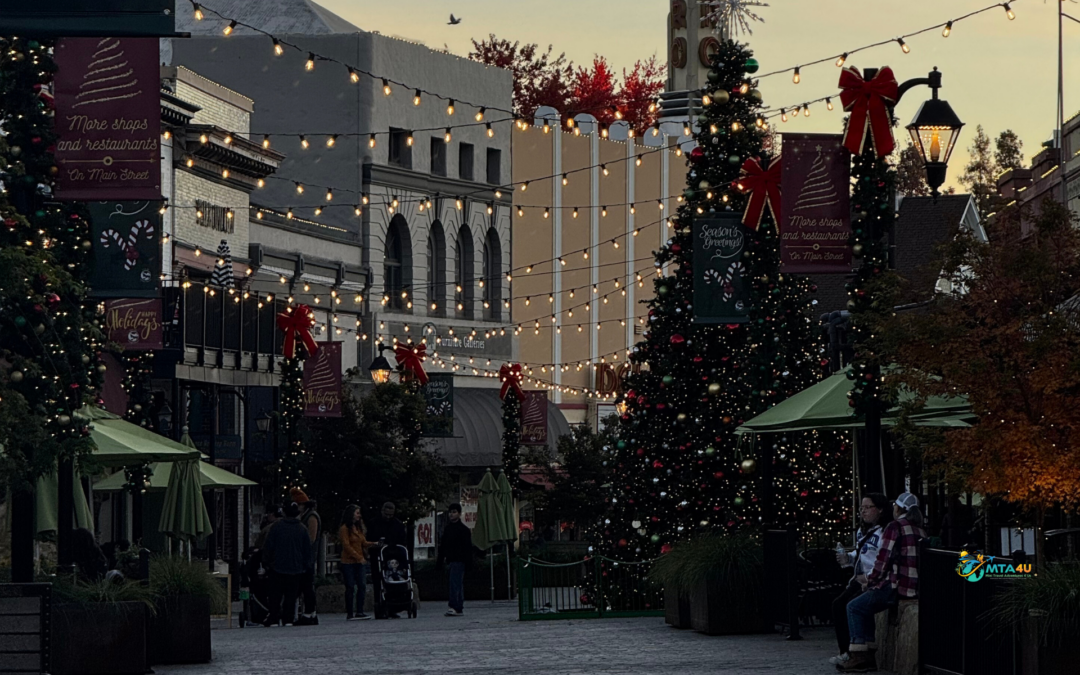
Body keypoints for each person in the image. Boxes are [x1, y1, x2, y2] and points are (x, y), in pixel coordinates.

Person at [838, 492, 927, 673]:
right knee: (865, 606)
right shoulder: (920, 529)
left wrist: (869, 581)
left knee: (854, 607)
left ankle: (860, 655)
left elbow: (883, 560)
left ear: (898, 508)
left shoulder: (895, 526)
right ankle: (868, 653)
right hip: (914, 587)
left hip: (895, 587)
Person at [829, 493, 893, 667]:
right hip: (860, 577)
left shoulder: (885, 531)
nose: (863, 512)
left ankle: (856, 651)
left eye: (867, 507)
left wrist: (869, 578)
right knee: (839, 604)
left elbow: (883, 559)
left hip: (874, 578)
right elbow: (861, 553)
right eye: (861, 508)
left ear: (880, 509)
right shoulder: (864, 531)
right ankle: (848, 651)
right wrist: (848, 558)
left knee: (850, 605)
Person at [261, 502, 313, 627]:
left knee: (275, 595)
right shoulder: (302, 529)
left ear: (284, 512)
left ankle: (274, 618)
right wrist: (305, 566)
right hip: (295, 568)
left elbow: (268, 547)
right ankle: (288, 619)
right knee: (291, 596)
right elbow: (307, 551)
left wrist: (266, 563)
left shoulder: (276, 527)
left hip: (277, 567)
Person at [367, 501, 407, 618]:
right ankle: (380, 606)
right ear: (382, 511)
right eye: (386, 514)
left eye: (391, 515)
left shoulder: (398, 525)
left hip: (393, 557)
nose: (388, 517)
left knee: (393, 580)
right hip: (378, 556)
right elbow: (369, 539)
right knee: (378, 582)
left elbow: (402, 541)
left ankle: (393, 607)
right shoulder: (374, 523)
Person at [290, 488, 321, 626]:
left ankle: (309, 612)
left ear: (303, 505)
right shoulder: (305, 516)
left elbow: (311, 538)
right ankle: (310, 612)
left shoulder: (311, 517)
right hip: (305, 556)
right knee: (305, 585)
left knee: (306, 585)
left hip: (307, 557)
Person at [339, 504, 375, 621]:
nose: (359, 515)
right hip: (348, 562)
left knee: (362, 585)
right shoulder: (345, 528)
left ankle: (360, 611)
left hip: (359, 562)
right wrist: (358, 557)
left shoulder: (358, 528)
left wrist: (374, 543)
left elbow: (363, 542)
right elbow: (346, 546)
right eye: (357, 513)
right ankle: (350, 612)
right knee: (350, 586)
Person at [436, 503, 472, 617]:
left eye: (454, 512)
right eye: (450, 512)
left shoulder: (462, 530)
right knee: (456, 584)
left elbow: (467, 548)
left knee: (454, 584)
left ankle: (454, 606)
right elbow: (443, 547)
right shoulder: (449, 529)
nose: (451, 514)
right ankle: (458, 606)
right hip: (452, 560)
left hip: (458, 560)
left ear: (459, 514)